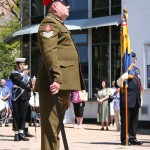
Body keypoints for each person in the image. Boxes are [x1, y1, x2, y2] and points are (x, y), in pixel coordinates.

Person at [35, 0, 85, 149]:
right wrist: (57, 78)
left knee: (56, 129)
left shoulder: (58, 24)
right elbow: (49, 53)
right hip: (54, 84)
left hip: (61, 85)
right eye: (65, 3)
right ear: (55, 6)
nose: (69, 6)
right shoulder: (48, 24)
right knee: (51, 130)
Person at [116, 52, 143, 145]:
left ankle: (132, 138)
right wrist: (122, 79)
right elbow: (116, 84)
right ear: (127, 60)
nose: (134, 60)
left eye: (135, 58)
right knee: (125, 121)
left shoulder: (136, 70)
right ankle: (124, 140)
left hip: (136, 98)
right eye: (132, 58)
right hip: (127, 99)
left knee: (134, 121)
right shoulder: (122, 69)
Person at [10, 58, 32, 141]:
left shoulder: (26, 76)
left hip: (25, 97)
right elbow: (18, 82)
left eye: (23, 65)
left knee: (23, 115)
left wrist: (29, 87)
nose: (23, 66)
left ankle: (21, 132)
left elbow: (30, 85)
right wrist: (27, 86)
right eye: (21, 65)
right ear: (17, 65)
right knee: (16, 115)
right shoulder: (13, 74)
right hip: (17, 97)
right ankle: (16, 134)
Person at [23, 65, 34, 137]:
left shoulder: (29, 78)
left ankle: (26, 130)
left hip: (28, 98)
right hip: (22, 98)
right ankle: (22, 130)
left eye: (27, 70)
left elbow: (31, 87)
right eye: (24, 70)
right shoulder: (21, 77)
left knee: (28, 115)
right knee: (23, 115)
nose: (25, 71)